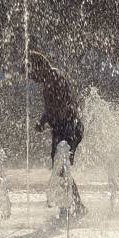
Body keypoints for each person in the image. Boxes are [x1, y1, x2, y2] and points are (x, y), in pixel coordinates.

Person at [29, 51, 86, 218]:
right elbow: (50, 109)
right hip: (62, 129)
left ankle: (72, 207)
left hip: (69, 128)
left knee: (61, 168)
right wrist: (42, 121)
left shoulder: (54, 78)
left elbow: (66, 106)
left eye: (32, 73)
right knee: (60, 168)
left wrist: (53, 124)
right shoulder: (49, 79)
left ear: (39, 67)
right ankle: (68, 207)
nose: (31, 78)